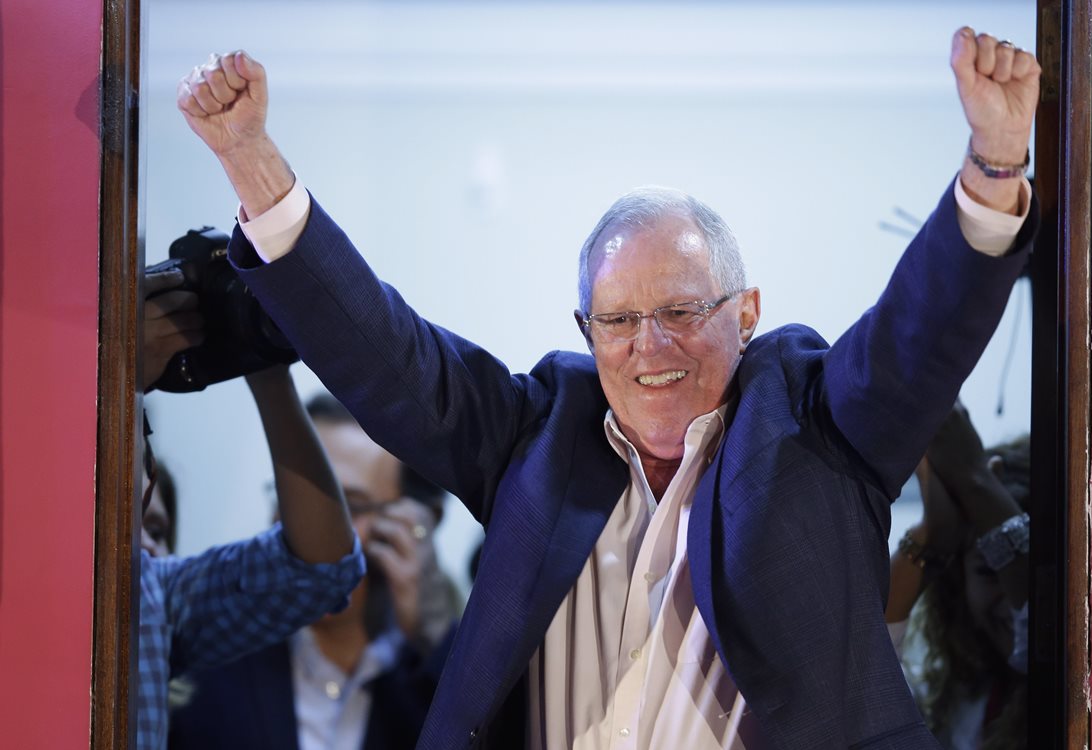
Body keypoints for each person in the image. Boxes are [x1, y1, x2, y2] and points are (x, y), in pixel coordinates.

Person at [176, 27, 1040, 749]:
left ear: (746, 313)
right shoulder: (539, 435)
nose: (648, 347)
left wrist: (995, 169)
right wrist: (253, 162)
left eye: (679, 309)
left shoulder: (817, 423)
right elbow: (391, 358)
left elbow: (915, 340)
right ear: (587, 330)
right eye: (618, 321)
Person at [138, 268, 366, 750]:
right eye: (123, 517)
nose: (140, 544)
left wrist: (260, 361)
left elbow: (321, 571)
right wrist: (117, 367)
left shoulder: (157, 599)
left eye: (154, 527)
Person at [167, 394, 458, 750]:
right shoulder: (206, 664)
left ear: (418, 524)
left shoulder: (445, 680)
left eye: (347, 506)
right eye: (294, 499)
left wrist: (436, 641)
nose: (307, 526)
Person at [885, 404, 1031, 749]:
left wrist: (976, 482)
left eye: (1033, 564)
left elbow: (1048, 635)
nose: (1013, 603)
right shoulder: (961, 704)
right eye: (988, 570)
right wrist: (932, 536)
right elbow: (860, 672)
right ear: (958, 582)